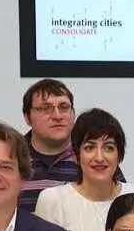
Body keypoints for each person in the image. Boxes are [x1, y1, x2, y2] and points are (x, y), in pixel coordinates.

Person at [19, 78, 125, 212]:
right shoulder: (12, 157)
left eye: (64, 107)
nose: (57, 116)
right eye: (46, 108)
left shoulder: (93, 158)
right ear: (27, 117)